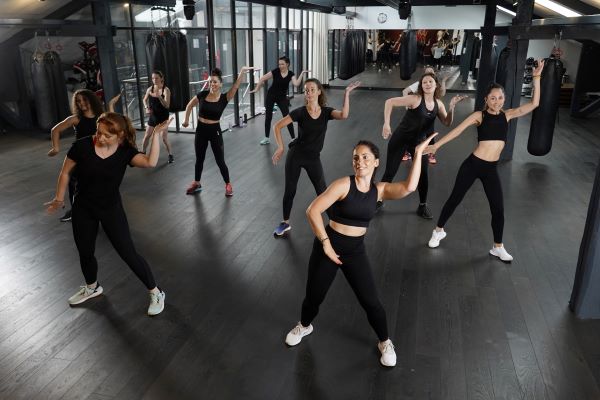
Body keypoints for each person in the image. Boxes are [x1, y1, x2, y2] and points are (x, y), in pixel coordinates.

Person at [284, 136, 435, 367]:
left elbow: (409, 187)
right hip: (329, 245)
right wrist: (325, 243)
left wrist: (418, 153)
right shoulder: (343, 184)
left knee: (370, 300)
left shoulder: (380, 190)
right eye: (356, 157)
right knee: (314, 295)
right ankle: (304, 326)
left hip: (354, 251)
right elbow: (312, 211)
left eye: (365, 157)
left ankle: (384, 341)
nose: (360, 161)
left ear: (376, 162)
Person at [44, 112, 171, 315]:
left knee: (128, 253)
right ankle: (92, 287)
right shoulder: (82, 146)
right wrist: (59, 199)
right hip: (83, 208)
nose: (100, 137)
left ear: (119, 135)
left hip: (110, 208)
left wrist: (155, 134)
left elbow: (150, 162)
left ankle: (156, 291)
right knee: (85, 252)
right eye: (98, 132)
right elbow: (65, 172)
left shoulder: (125, 151)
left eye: (106, 135)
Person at [426, 59, 546, 261]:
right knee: (455, 198)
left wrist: (536, 78)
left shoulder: (507, 115)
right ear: (486, 99)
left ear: (504, 99)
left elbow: (534, 103)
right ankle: (438, 231)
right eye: (493, 98)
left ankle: (497, 246)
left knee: (498, 208)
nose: (497, 101)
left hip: (491, 169)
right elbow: (456, 131)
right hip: (473, 165)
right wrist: (437, 145)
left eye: (500, 98)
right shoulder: (479, 116)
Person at [271, 79, 360, 236]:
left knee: (322, 191)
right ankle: (285, 223)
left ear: (319, 91)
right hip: (296, 155)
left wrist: (346, 94)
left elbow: (344, 115)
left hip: (313, 158)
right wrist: (281, 146)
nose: (309, 93)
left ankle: (335, 223)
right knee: (290, 190)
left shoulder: (326, 112)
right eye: (306, 90)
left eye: (312, 90)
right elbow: (277, 126)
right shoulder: (300, 112)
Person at [380, 73, 466, 218]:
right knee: (390, 172)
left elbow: (447, 122)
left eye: (430, 81)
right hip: (400, 139)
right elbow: (389, 102)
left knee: (423, 175)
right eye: (424, 82)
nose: (427, 84)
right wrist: (386, 124)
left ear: (436, 85)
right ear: (421, 85)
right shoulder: (415, 99)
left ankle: (422, 206)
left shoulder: (438, 104)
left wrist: (451, 107)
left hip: (419, 144)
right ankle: (378, 199)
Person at [182, 66, 254, 196]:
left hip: (214, 131)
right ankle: (197, 183)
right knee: (199, 159)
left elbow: (236, 87)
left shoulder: (224, 98)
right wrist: (186, 120)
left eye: (215, 82)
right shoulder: (203, 94)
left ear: (220, 84)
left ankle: (228, 184)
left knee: (220, 161)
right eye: (210, 81)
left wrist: (242, 72)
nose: (212, 84)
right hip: (201, 130)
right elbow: (189, 105)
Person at [48, 89, 104, 222]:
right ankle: (75, 211)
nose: (82, 103)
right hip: (79, 157)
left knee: (98, 186)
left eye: (84, 100)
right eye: (78, 101)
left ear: (91, 100)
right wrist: (55, 148)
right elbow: (55, 130)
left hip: (97, 156)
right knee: (74, 185)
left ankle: (99, 211)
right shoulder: (75, 119)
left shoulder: (102, 116)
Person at [249, 56, 309, 145]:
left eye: (282, 64)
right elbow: (262, 78)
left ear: (287, 64)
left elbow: (296, 84)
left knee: (287, 117)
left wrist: (302, 73)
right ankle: (266, 138)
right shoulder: (276, 71)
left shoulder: (290, 74)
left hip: (281, 98)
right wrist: (257, 89)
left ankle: (293, 138)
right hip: (271, 95)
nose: (280, 66)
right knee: (268, 117)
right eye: (279, 64)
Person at [402, 65, 450, 165]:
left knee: (429, 131)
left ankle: (430, 154)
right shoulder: (420, 83)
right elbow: (405, 91)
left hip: (432, 109)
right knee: (412, 132)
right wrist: (407, 104)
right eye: (427, 72)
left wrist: (444, 81)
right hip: (419, 110)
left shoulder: (435, 83)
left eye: (431, 72)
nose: (429, 74)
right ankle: (407, 152)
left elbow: (442, 93)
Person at [141, 70, 173, 163]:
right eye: (153, 78)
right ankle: (142, 153)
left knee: (164, 138)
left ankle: (170, 155)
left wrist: (159, 96)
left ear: (161, 78)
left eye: (156, 78)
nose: (154, 80)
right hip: (153, 116)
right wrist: (146, 107)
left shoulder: (166, 90)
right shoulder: (149, 89)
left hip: (163, 118)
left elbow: (167, 105)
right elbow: (144, 99)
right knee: (147, 136)